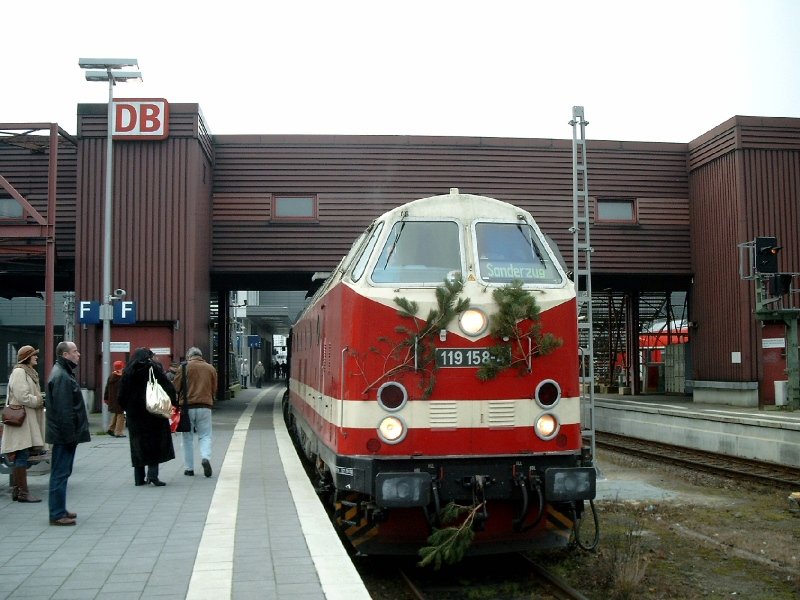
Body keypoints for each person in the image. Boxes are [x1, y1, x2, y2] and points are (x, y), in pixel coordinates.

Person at [117, 347, 177, 486]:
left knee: (137, 445)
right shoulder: (153, 369)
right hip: (153, 412)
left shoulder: (128, 372)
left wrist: (127, 408)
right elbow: (167, 386)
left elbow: (121, 395)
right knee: (154, 443)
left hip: (134, 415)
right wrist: (172, 402)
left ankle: (139, 478)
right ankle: (153, 476)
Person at [46, 341, 90, 526]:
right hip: (64, 435)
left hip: (64, 434)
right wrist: (70, 436)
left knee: (62, 472)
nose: (78, 354)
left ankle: (60, 509)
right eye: (74, 351)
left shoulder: (62, 372)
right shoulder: (62, 376)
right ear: (65, 355)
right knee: (60, 473)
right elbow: (64, 410)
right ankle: (56, 513)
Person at [1, 345, 47, 503]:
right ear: (27, 357)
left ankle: (17, 490)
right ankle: (23, 492)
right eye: (34, 355)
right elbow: (22, 396)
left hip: (25, 420)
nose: (36, 357)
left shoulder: (26, 371)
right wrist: (39, 400)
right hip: (22, 421)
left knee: (22, 454)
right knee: (21, 455)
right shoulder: (20, 372)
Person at [173, 346, 217, 478]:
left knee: (187, 438)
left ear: (189, 356)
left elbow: (176, 387)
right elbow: (214, 388)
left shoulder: (184, 367)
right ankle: (205, 457)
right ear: (201, 356)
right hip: (205, 406)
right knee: (205, 435)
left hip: (187, 408)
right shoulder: (210, 368)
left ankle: (189, 468)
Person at [103, 360, 126, 437]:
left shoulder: (111, 376)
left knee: (117, 413)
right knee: (121, 415)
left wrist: (106, 398)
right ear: (122, 367)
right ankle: (119, 432)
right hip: (120, 399)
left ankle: (111, 429)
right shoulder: (121, 377)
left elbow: (106, 388)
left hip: (112, 400)